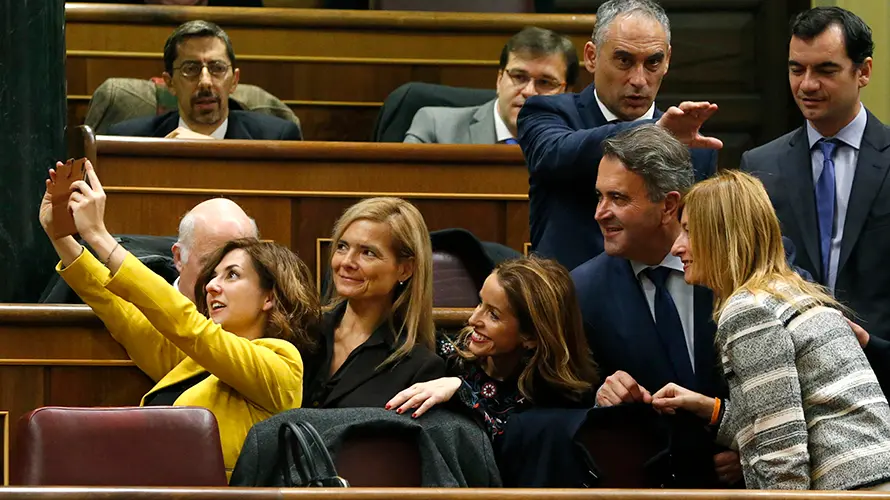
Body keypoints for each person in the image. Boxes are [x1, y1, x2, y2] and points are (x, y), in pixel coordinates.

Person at [38, 160, 320, 475]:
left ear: (269, 296)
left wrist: (100, 237)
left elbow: (189, 326)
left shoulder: (282, 363)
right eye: (213, 274)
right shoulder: (194, 361)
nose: (212, 286)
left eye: (232, 275)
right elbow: (119, 310)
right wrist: (61, 236)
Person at [653, 169, 890, 490]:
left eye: (689, 232)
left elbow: (782, 450)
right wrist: (710, 409)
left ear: (723, 237)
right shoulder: (792, 291)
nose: (677, 247)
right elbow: (800, 416)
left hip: (848, 491)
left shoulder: (748, 309)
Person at [570, 124, 738, 485]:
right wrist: (600, 398)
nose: (601, 212)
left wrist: (751, 448)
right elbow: (565, 402)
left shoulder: (736, 266)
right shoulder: (583, 290)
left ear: (669, 205)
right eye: (599, 197)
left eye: (618, 198)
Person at [518, 0, 721, 271]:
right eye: (624, 61)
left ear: (667, 61)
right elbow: (556, 153)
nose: (639, 79)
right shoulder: (546, 112)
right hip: (567, 301)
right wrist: (653, 133)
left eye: (652, 63)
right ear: (591, 56)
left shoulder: (694, 147)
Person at [740, 6, 890, 341]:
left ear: (863, 72)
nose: (807, 85)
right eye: (797, 69)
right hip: (795, 365)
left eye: (825, 70)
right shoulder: (761, 165)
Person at [386, 256, 597, 440]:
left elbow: (509, 445)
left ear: (531, 336)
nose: (473, 319)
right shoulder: (447, 356)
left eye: (493, 315)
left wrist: (463, 393)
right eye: (480, 303)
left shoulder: (557, 398)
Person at [301, 197, 446, 408]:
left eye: (368, 253)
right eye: (342, 247)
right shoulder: (302, 332)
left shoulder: (419, 367)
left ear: (405, 269)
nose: (346, 262)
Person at [109, 20, 301, 140]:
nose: (205, 81)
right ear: (170, 83)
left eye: (217, 68)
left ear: (234, 80)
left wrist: (211, 148)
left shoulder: (277, 138)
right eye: (190, 69)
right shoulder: (128, 139)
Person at [404, 27, 577, 144]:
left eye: (545, 82)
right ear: (499, 79)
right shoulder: (436, 129)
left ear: (568, 92)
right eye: (519, 76)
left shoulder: (584, 143)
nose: (529, 91)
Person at [172, 198, 258, 303]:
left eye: (233, 273)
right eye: (211, 265)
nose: (217, 285)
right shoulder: (149, 312)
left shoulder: (272, 313)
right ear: (179, 258)